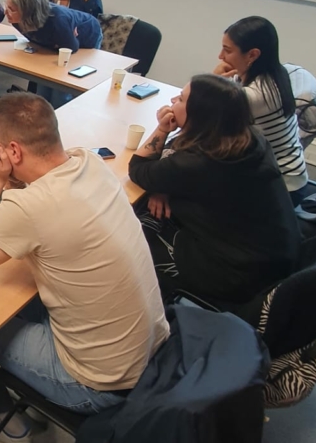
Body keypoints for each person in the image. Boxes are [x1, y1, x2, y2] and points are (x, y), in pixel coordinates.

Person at [0, 93, 169, 443]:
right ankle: (29, 390)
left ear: (14, 152)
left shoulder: (32, 208)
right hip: (148, 351)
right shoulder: (90, 162)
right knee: (17, 292)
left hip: (95, 385)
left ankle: (4, 424)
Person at [128, 74, 299, 308]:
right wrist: (162, 184)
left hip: (235, 273)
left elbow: (138, 168)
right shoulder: (248, 138)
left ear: (199, 115)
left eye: (182, 99)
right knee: (150, 207)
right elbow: (175, 158)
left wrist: (161, 129)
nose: (174, 99)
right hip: (273, 255)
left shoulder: (197, 162)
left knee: (130, 238)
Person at [214, 16, 310, 204]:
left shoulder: (256, 95)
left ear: (252, 55)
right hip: (286, 172)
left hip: (281, 188)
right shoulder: (273, 73)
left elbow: (197, 115)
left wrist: (214, 79)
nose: (220, 56)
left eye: (227, 50)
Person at [4, 0, 101, 53]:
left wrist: (62, 42)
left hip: (89, 32)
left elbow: (71, 48)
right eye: (6, 6)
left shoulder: (57, 22)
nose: (6, 12)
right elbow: (38, 41)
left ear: (28, 12)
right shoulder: (16, 20)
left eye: (12, 9)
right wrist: (53, 45)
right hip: (63, 34)